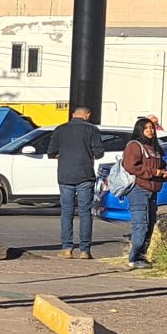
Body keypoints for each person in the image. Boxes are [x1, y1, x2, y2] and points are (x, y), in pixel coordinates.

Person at [47, 105, 103, 259]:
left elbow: (51, 153)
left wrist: (63, 155)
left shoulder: (60, 129)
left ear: (73, 115)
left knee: (67, 212)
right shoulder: (92, 130)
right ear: (88, 115)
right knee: (85, 213)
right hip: (85, 175)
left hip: (65, 175)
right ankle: (85, 250)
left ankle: (67, 248)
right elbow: (99, 153)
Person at [120, 116, 167, 270]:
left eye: (152, 128)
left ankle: (141, 257)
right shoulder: (135, 146)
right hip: (138, 190)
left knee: (149, 226)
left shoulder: (155, 148)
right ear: (140, 130)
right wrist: (152, 171)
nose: (150, 130)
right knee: (140, 226)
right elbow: (130, 167)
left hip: (153, 191)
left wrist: (163, 173)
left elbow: (162, 165)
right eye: (146, 128)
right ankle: (133, 258)